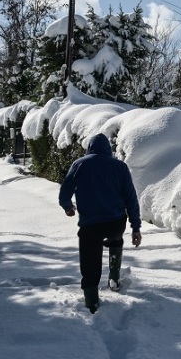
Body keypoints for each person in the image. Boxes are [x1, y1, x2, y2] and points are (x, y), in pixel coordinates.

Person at [58, 132, 142, 313]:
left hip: (90, 226)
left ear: (89, 148)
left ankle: (91, 300)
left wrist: (68, 207)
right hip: (116, 222)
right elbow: (131, 199)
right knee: (115, 240)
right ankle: (114, 277)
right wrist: (136, 227)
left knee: (90, 260)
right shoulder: (120, 167)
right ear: (108, 149)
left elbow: (64, 193)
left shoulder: (79, 164)